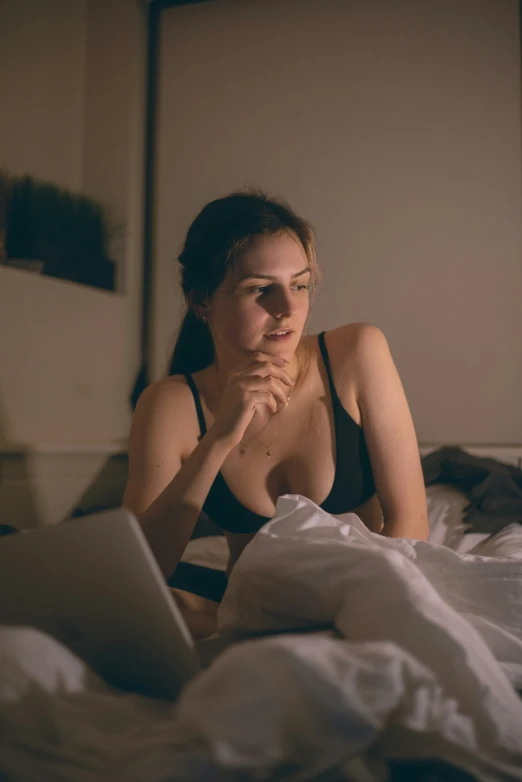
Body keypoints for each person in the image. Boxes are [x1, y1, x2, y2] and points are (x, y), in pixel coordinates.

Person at [122, 188, 429, 639]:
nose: (288, 308)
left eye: (299, 285)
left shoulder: (356, 353)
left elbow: (410, 526)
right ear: (201, 302)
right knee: (126, 601)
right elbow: (141, 569)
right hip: (251, 609)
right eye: (260, 289)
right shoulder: (170, 403)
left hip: (365, 598)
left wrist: (360, 616)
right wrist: (221, 436)